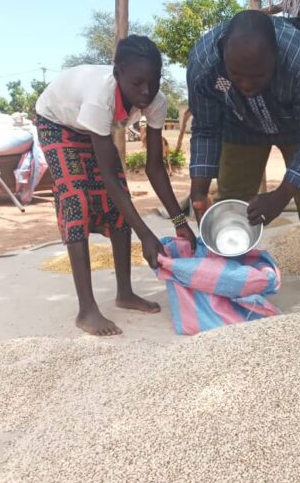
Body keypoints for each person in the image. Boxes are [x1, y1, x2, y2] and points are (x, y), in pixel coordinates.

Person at [35, 35, 195, 335]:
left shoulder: (155, 102)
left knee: (116, 208)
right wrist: (146, 235)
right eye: (137, 83)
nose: (147, 91)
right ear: (118, 74)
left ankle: (125, 293)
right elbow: (109, 178)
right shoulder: (100, 97)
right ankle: (86, 310)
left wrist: (179, 221)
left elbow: (155, 167)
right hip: (57, 124)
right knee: (76, 200)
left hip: (91, 128)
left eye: (154, 81)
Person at [186, 10, 300, 311]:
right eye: (236, 75)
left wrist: (281, 196)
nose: (245, 84)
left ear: (276, 57)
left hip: (299, 128)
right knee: (229, 201)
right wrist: (198, 190)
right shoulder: (203, 65)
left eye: (258, 75)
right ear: (222, 56)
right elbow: (205, 129)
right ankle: (229, 279)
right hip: (240, 126)